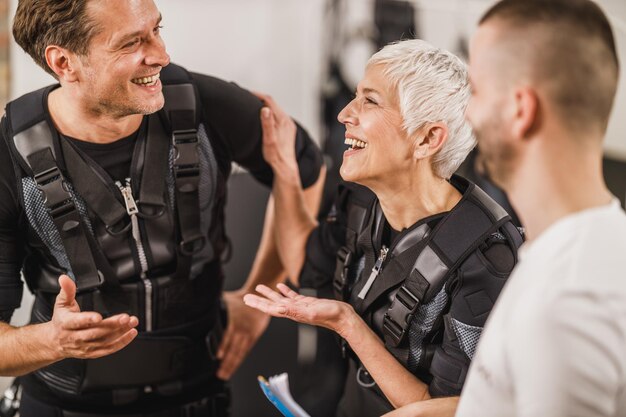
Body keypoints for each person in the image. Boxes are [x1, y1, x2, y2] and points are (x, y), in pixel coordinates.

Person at [0, 0, 324, 416]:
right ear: (64, 62)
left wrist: (256, 298)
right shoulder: (10, 160)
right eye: (132, 42)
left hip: (199, 394)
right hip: (68, 404)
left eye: (156, 29)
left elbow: (304, 169)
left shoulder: (201, 105)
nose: (161, 54)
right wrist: (54, 341)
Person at [244, 39, 523, 417]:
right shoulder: (362, 201)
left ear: (427, 139)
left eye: (369, 101)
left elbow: (441, 410)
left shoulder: (488, 261)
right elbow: (307, 266)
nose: (345, 113)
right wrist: (285, 167)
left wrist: (348, 323)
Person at [455, 0, 626, 416]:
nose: (467, 111)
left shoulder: (566, 302)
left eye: (475, 91)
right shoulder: (592, 247)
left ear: (520, 110)